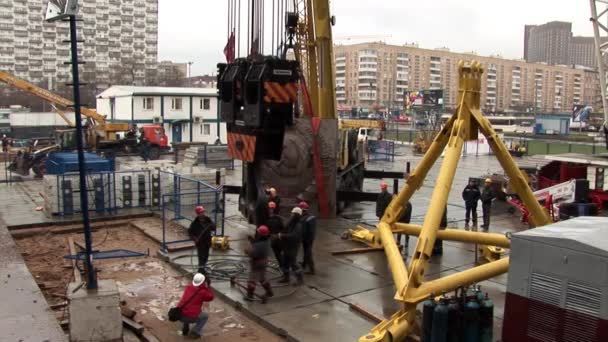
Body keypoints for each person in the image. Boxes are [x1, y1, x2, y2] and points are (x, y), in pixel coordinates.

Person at [176, 272, 214, 338]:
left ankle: (185, 329)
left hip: (179, 315)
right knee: (205, 316)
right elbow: (210, 297)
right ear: (203, 282)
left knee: (187, 308)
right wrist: (207, 287)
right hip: (190, 317)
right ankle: (195, 332)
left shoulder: (188, 287)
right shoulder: (203, 292)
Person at [244, 225, 274, 302]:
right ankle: (269, 292)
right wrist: (252, 241)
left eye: (258, 232)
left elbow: (253, 253)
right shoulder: (266, 241)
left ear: (260, 234)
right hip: (264, 262)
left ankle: (249, 296)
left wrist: (247, 250)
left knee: (252, 279)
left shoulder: (259, 245)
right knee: (262, 278)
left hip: (257, 263)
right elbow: (258, 244)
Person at [278, 207, 304, 285]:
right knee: (285, 262)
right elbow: (286, 229)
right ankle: (286, 277)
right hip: (287, 246)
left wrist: (282, 236)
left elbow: (293, 236)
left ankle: (300, 279)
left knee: (293, 263)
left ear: (296, 215)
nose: (291, 214)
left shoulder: (298, 225)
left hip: (292, 247)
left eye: (292, 213)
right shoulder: (291, 223)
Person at [188, 206, 216, 274]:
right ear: (198, 214)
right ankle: (201, 271)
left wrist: (211, 225)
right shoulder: (195, 223)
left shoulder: (208, 220)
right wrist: (195, 239)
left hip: (207, 242)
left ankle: (204, 268)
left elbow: (213, 228)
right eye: (201, 213)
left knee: (206, 256)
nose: (203, 214)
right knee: (201, 257)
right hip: (200, 243)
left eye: (203, 212)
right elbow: (190, 232)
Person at [298, 201, 316, 275]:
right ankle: (304, 264)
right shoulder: (311, 217)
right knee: (305, 251)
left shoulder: (304, 219)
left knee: (308, 253)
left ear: (303, 210)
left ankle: (312, 270)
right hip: (310, 238)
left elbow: (304, 231)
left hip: (307, 239)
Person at [266, 201, 285, 270]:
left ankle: (283, 266)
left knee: (278, 253)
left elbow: (282, 228)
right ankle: (282, 265)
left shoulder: (274, 218)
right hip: (275, 237)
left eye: (271, 208)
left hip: (276, 237)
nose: (270, 210)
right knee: (278, 253)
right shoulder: (278, 218)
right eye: (270, 208)